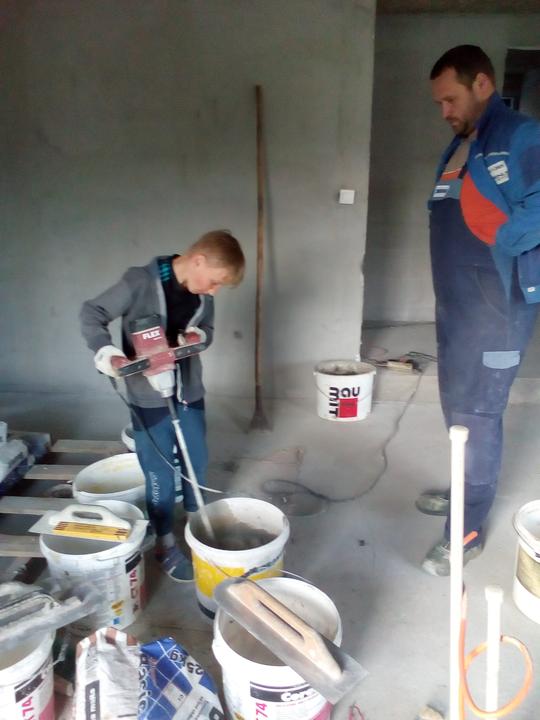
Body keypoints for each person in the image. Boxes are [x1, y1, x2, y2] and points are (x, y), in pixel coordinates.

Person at [417, 45, 540, 576]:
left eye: (451, 99)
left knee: (478, 415)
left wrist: (505, 238)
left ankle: (465, 531)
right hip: (456, 308)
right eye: (439, 103)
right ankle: (462, 489)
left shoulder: (520, 136)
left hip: (497, 309)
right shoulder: (463, 144)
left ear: (483, 84)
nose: (444, 111)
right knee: (455, 406)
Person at [80, 230, 245, 581]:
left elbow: (208, 328)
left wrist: (199, 337)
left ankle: (197, 525)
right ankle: (164, 542)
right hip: (148, 398)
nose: (214, 291)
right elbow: (92, 312)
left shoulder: (202, 293)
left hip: (189, 392)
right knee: (159, 473)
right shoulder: (139, 282)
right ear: (198, 261)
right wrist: (107, 352)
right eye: (215, 281)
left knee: (196, 460)